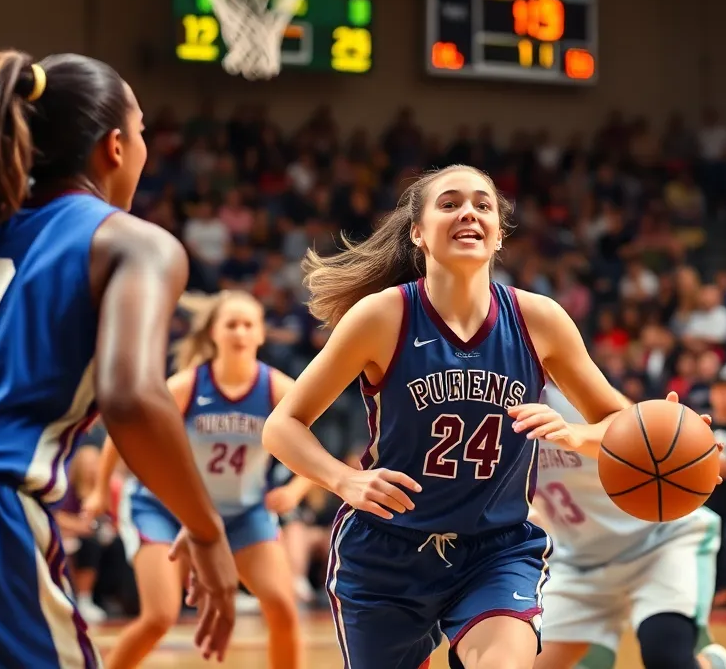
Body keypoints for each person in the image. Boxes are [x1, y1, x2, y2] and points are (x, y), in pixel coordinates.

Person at [0, 50, 239, 668]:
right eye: (142, 132)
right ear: (114, 147)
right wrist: (205, 528)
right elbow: (131, 398)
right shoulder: (129, 243)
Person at [261, 164, 635, 669]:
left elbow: (621, 424)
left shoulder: (539, 319)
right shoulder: (381, 316)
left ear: (500, 234)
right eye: (450, 203)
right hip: (386, 551)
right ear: (417, 231)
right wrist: (344, 480)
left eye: (483, 205)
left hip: (495, 549)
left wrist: (575, 433)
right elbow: (282, 425)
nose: (469, 213)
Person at [92, 290, 305, 668]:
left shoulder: (279, 389)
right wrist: (98, 489)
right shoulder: (187, 385)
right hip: (164, 508)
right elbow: (122, 433)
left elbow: (316, 448)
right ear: (213, 334)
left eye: (248, 325)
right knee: (159, 617)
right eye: (231, 324)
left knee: (283, 608)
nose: (240, 332)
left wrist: (296, 488)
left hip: (242, 512)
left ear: (260, 334)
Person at [521, 381, 726, 669]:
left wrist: (680, 439)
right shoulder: (488, 412)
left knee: (666, 658)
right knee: (525, 663)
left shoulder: (574, 393)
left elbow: (637, 426)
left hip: (657, 542)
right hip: (580, 560)